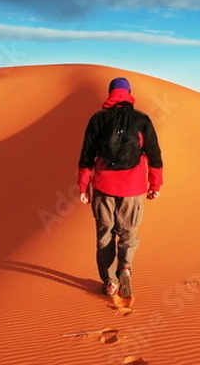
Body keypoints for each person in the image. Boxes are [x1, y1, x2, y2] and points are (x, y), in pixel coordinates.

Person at [78, 77, 163, 298]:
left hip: (104, 186)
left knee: (105, 234)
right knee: (128, 233)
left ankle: (110, 282)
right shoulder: (141, 119)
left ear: (110, 93)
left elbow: (87, 156)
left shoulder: (98, 119)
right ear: (129, 93)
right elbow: (154, 155)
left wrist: (83, 186)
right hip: (133, 188)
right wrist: (155, 184)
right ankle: (125, 267)